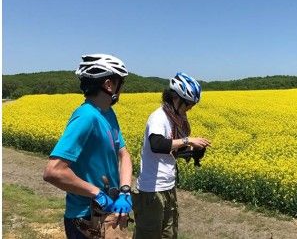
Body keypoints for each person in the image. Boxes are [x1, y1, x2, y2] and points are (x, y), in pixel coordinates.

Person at [43, 54, 133, 239]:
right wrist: (97, 193)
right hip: (86, 218)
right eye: (120, 83)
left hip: (107, 213)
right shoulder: (86, 116)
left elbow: (124, 154)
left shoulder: (108, 113)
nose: (121, 89)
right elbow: (54, 171)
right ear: (109, 85)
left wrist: (124, 191)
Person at [132, 72, 211, 239]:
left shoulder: (175, 120)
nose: (190, 108)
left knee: (170, 234)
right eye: (189, 104)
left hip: (168, 186)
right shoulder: (159, 117)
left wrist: (194, 151)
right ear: (177, 99)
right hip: (152, 190)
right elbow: (157, 145)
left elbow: (172, 151)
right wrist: (188, 140)